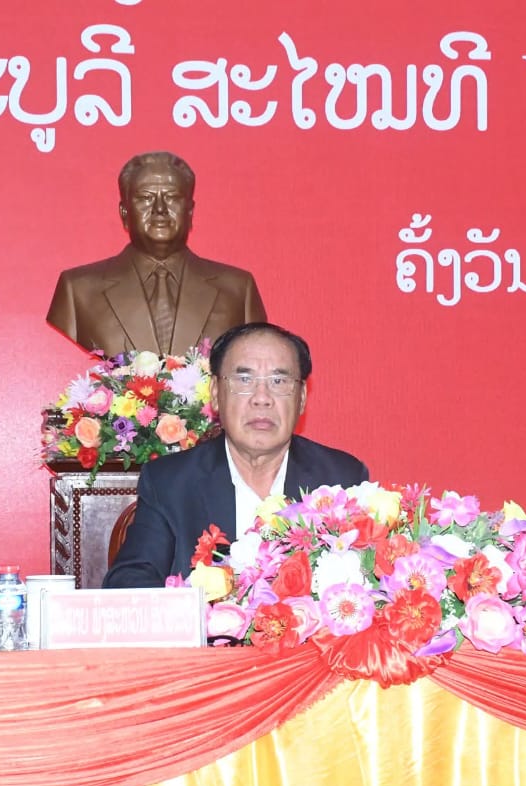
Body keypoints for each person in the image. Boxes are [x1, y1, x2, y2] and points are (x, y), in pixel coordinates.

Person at [103, 322, 368, 588]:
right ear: (215, 393)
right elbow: (128, 582)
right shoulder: (170, 482)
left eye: (278, 381)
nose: (262, 398)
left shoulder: (340, 480)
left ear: (301, 398)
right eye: (244, 380)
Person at [46, 151, 267, 356]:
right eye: (145, 198)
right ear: (124, 213)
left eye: (172, 197)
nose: (159, 209)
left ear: (190, 211)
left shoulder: (237, 290)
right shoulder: (78, 290)